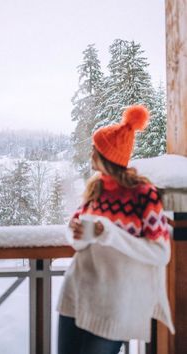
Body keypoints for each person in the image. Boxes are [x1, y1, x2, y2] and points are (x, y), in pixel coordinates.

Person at [57, 105, 175, 354]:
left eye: (95, 148)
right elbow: (79, 238)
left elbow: (161, 254)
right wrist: (75, 231)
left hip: (115, 308)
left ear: (107, 156)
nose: (91, 152)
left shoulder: (144, 196)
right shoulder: (96, 188)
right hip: (77, 295)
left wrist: (108, 233)